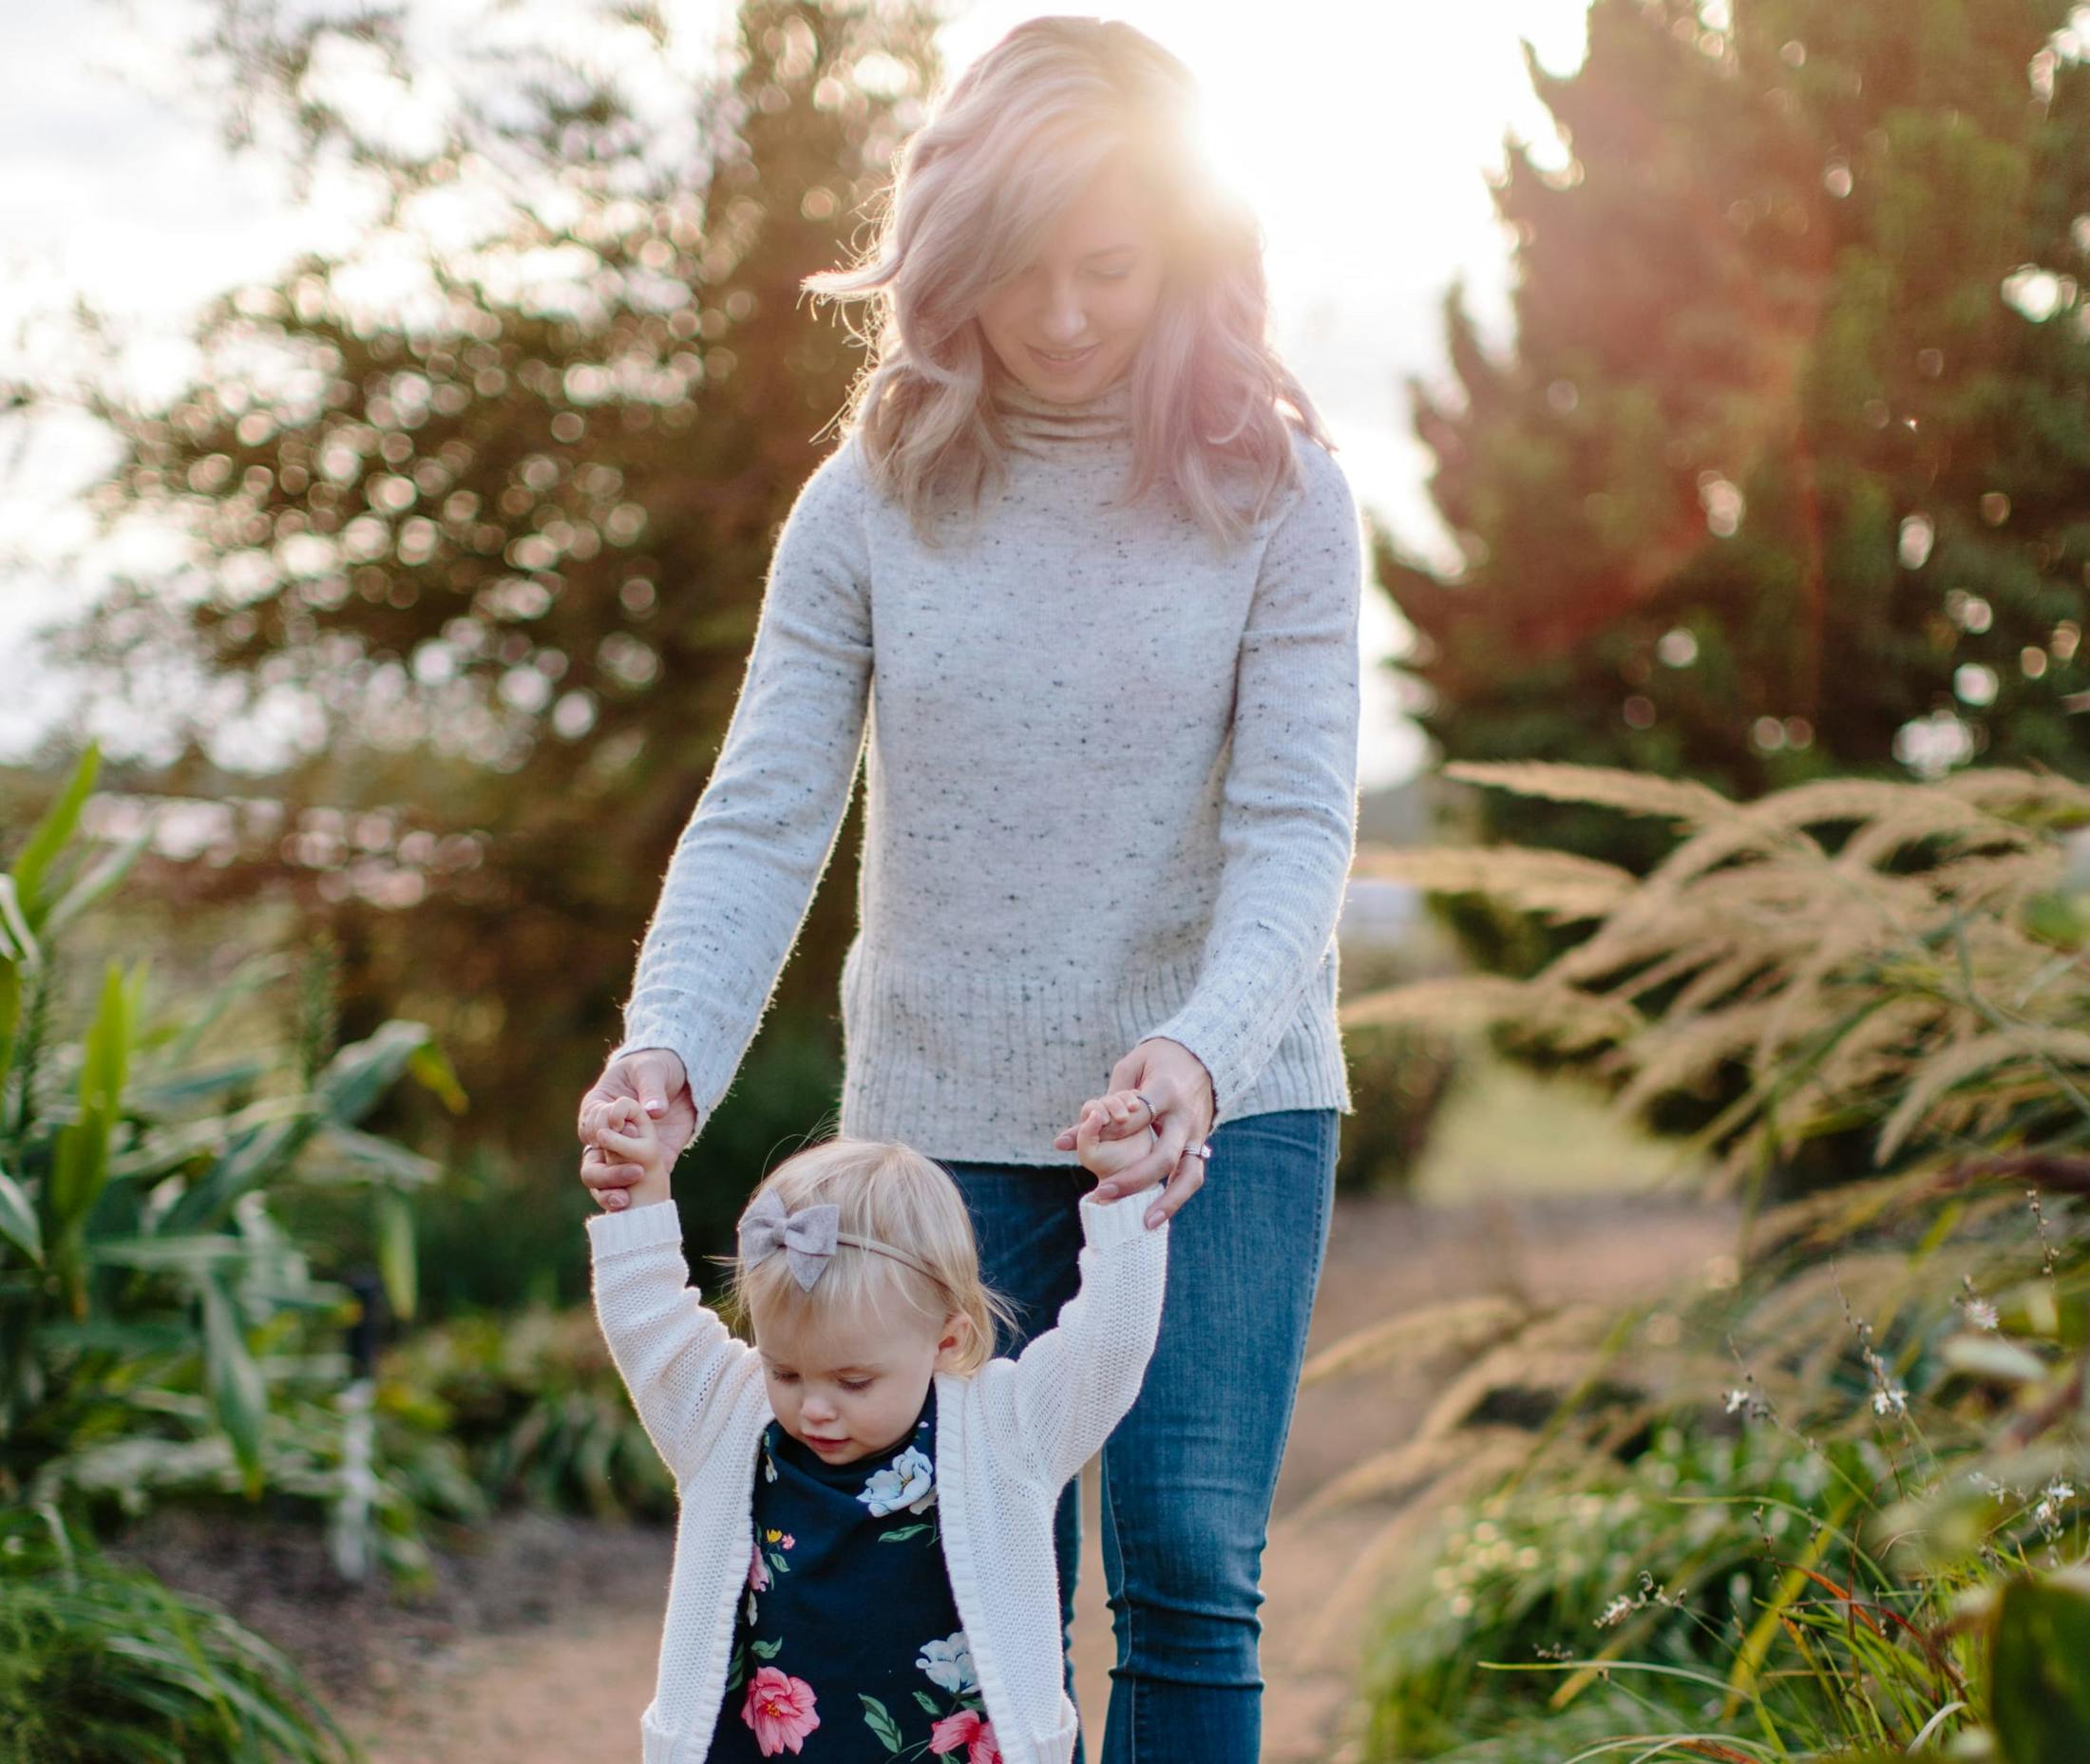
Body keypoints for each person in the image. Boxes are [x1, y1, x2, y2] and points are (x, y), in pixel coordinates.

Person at [577, 16, 1363, 1762]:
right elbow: (766, 809)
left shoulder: (1283, 499)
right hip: (939, 1125)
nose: (1065, 316)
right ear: (952, 259)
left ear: (1185, 250)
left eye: (1110, 266)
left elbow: (1297, 827)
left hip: (1219, 1110)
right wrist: (669, 1048)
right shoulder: (869, 501)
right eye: (1022, 268)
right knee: (967, 1576)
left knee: (1189, 1571)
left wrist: (1196, 1055)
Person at [584, 1088, 1168, 1764]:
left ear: (946, 1340)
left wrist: (1125, 1193)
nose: (815, 1406)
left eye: (853, 1381)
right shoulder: (727, 1417)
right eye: (786, 1371)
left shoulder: (1006, 1430)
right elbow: (651, 1328)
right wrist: (639, 1193)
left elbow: (1108, 1348)